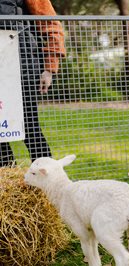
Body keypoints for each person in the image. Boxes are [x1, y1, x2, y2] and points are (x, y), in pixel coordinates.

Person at [0, 0, 66, 167]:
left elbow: (51, 24)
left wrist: (50, 68)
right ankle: (7, 180)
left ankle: (49, 178)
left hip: (23, 64)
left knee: (30, 126)